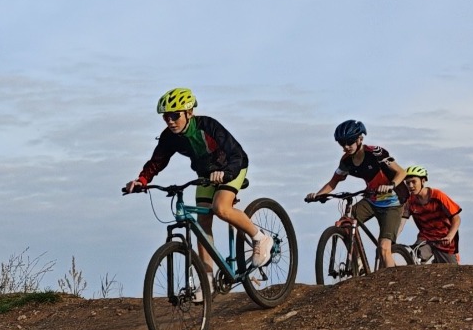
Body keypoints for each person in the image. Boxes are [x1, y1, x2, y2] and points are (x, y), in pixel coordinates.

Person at [123, 87, 274, 268]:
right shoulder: (169, 137)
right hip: (206, 175)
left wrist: (228, 173)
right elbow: (157, 161)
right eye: (166, 117)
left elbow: (235, 153)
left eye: (175, 115)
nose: (170, 121)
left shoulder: (208, 126)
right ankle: (207, 277)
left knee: (221, 208)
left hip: (233, 166)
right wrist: (142, 180)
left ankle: (260, 238)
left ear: (189, 113)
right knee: (202, 223)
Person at [305, 120, 407, 268]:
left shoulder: (375, 153)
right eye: (342, 143)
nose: (346, 146)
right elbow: (333, 182)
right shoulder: (346, 161)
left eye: (350, 142)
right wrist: (318, 195)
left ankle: (394, 280)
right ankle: (357, 262)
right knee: (345, 223)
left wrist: (390, 185)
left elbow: (401, 172)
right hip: (372, 200)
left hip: (393, 202)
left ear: (360, 139)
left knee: (384, 248)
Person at [400, 164, 462, 264]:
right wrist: (390, 239)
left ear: (423, 181)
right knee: (414, 257)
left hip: (443, 239)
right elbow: (401, 223)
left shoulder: (438, 195)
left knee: (451, 270)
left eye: (413, 182)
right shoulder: (410, 201)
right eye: (407, 183)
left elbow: (456, 218)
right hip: (425, 238)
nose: (410, 186)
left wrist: (450, 236)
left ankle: (436, 262)